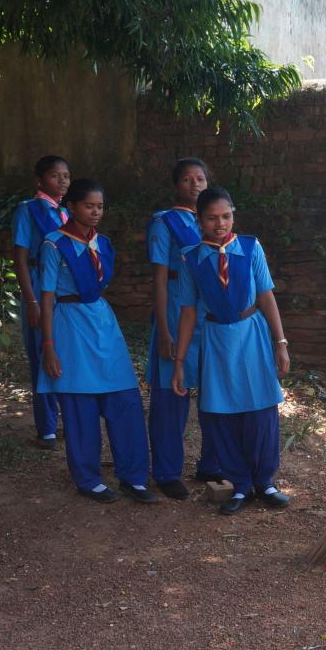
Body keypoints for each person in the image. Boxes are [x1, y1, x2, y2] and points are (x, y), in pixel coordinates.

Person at [171, 187, 291, 516]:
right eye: (212, 218)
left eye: (226, 216)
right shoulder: (191, 258)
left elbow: (266, 296)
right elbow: (188, 312)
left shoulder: (251, 248)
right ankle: (238, 484)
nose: (220, 223)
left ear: (233, 215)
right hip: (215, 341)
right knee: (220, 412)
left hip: (251, 335)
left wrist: (280, 343)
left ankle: (264, 481)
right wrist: (179, 363)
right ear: (199, 221)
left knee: (261, 406)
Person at [36, 179, 153, 504]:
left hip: (102, 322)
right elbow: (46, 298)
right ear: (71, 206)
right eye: (89, 206)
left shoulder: (103, 244)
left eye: (100, 206)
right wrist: (48, 345)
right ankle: (88, 478)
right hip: (70, 325)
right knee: (79, 404)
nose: (95, 212)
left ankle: (133, 476)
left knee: (125, 400)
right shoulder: (53, 245)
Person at [146, 158, 222, 499]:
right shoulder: (164, 223)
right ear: (176, 184)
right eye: (188, 179)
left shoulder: (212, 221)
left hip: (210, 316)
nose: (195, 184)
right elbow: (160, 279)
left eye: (201, 179)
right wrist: (163, 329)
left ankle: (212, 463)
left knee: (213, 393)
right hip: (176, 311)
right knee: (171, 396)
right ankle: (166, 471)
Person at [11, 155, 69, 449]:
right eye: (54, 175)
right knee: (40, 351)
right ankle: (46, 427)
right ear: (40, 180)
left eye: (66, 176)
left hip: (62, 288)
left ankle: (66, 420)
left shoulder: (66, 213)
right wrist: (30, 300)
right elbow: (20, 259)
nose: (62, 181)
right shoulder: (28, 210)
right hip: (37, 283)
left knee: (63, 351)